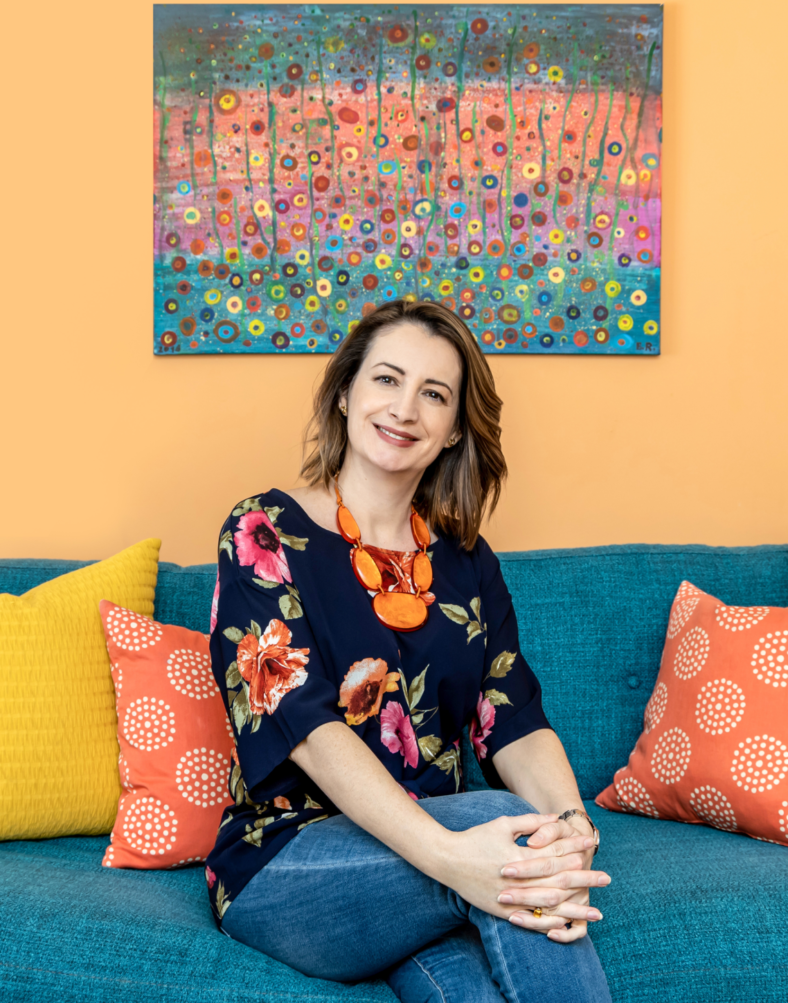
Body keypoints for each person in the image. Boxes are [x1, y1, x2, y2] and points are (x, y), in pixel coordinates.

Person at [205, 299, 612, 1003]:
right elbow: (300, 727)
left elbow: (512, 716)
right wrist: (453, 858)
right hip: (285, 862)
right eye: (387, 380)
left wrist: (573, 830)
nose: (406, 409)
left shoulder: (466, 561)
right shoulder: (262, 530)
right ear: (345, 393)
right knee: (502, 827)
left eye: (434, 394)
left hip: (421, 873)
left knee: (491, 946)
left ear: (454, 430)